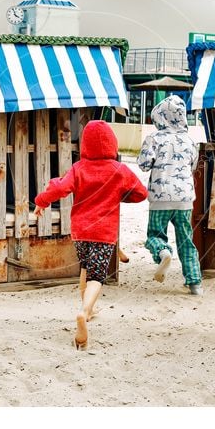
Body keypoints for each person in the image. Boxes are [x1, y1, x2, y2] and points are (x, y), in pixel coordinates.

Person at [34, 120, 147, 349]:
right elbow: (140, 193)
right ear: (112, 144)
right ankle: (84, 312)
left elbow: (59, 188)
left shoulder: (79, 168)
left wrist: (41, 202)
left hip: (80, 230)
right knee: (97, 277)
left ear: (85, 145)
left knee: (85, 268)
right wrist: (119, 196)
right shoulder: (119, 170)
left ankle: (90, 308)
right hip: (103, 233)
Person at [138, 95, 202, 295]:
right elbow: (192, 166)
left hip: (160, 198)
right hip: (185, 200)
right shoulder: (191, 141)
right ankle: (194, 283)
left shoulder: (154, 138)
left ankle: (163, 252)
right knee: (186, 241)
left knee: (154, 235)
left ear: (159, 117)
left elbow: (143, 165)